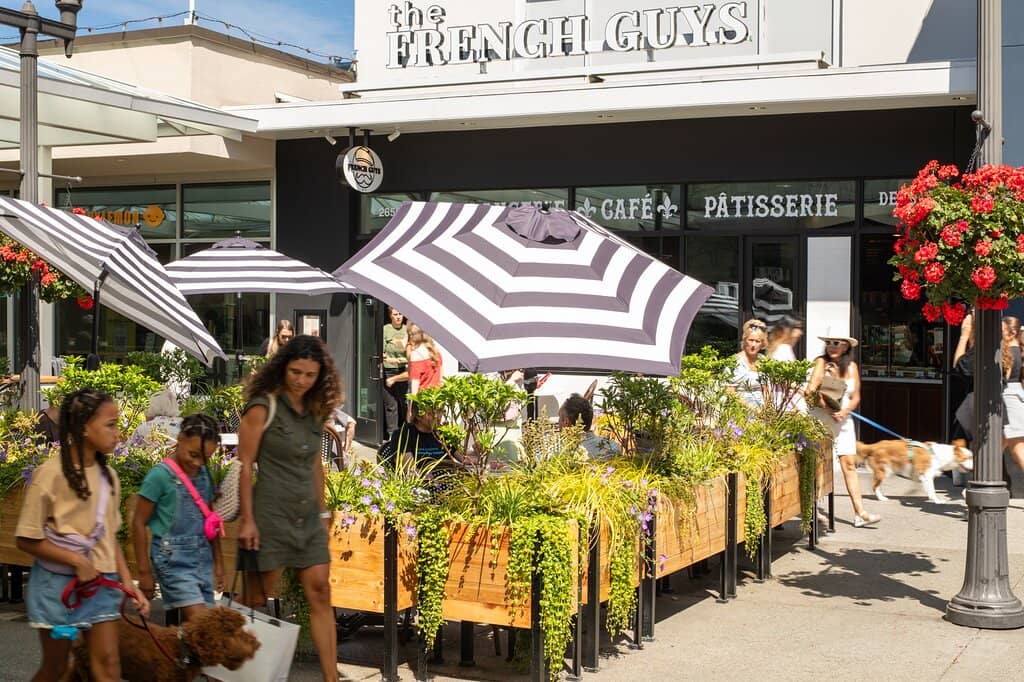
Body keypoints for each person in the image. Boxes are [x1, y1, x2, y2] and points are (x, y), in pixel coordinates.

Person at [15, 388, 149, 682]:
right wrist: (74, 559)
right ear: (84, 428)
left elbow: (109, 538)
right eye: (110, 424)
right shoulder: (49, 475)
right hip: (56, 588)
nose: (118, 433)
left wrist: (130, 585)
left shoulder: (108, 477)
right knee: (57, 669)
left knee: (109, 666)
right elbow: (26, 538)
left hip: (103, 585)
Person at [237, 335, 341, 682]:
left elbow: (316, 466)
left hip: (308, 517)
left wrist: (324, 515)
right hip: (271, 514)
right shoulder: (261, 408)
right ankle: (234, 668)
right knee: (254, 598)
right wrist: (248, 520)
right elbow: (245, 466)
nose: (301, 380)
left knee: (321, 591)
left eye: (310, 374)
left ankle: (331, 678)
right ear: (282, 367)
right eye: (296, 371)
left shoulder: (314, 411)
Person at [132, 414, 224, 623]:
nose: (198, 463)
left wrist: (219, 564)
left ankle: (182, 656)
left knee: (200, 628)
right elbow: (138, 523)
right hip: (173, 561)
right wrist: (144, 572)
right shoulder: (159, 476)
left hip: (201, 560)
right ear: (180, 438)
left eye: (205, 459)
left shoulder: (203, 475)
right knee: (202, 623)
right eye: (193, 455)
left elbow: (210, 520)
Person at [807, 335, 881, 528]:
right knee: (818, 464)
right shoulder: (821, 363)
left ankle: (860, 513)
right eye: (829, 343)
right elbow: (810, 391)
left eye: (837, 343)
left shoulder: (852, 366)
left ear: (846, 346)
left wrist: (845, 411)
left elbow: (856, 396)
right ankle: (812, 511)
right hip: (821, 419)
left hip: (844, 420)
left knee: (849, 464)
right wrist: (828, 408)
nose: (832, 346)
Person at [378, 401, 449, 468]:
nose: (438, 416)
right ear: (418, 416)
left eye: (440, 411)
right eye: (431, 413)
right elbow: (411, 471)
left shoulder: (443, 433)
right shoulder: (403, 435)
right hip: (419, 479)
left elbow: (459, 458)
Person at [559, 393, 621, 460]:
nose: (558, 421)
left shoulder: (564, 456)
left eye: (559, 417)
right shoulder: (613, 446)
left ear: (566, 422)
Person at [401, 324, 443, 422]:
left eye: (410, 335)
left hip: (422, 402)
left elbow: (414, 388)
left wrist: (410, 412)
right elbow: (441, 379)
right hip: (436, 399)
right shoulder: (436, 352)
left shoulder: (416, 355)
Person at [380, 307, 409, 441]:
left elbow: (411, 352)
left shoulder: (407, 329)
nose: (398, 317)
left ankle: (406, 431)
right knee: (391, 404)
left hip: (404, 370)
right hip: (389, 370)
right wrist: (389, 359)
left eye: (400, 314)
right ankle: (392, 435)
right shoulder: (385, 329)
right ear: (390, 316)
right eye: (395, 314)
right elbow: (381, 352)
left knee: (403, 402)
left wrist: (402, 359)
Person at [1001, 317, 1024, 470]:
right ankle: (975, 480)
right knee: (995, 447)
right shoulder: (1019, 352)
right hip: (1016, 398)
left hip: (1010, 400)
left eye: (1002, 330)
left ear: (1012, 332)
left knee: (1018, 450)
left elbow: (1005, 380)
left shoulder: (1010, 354)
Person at [729, 324, 767, 409]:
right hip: (740, 409)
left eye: (757, 341)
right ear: (745, 340)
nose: (753, 344)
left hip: (762, 408)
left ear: (762, 344)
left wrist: (767, 409)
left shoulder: (764, 360)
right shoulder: (734, 362)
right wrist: (752, 409)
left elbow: (766, 389)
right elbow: (730, 391)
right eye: (751, 340)